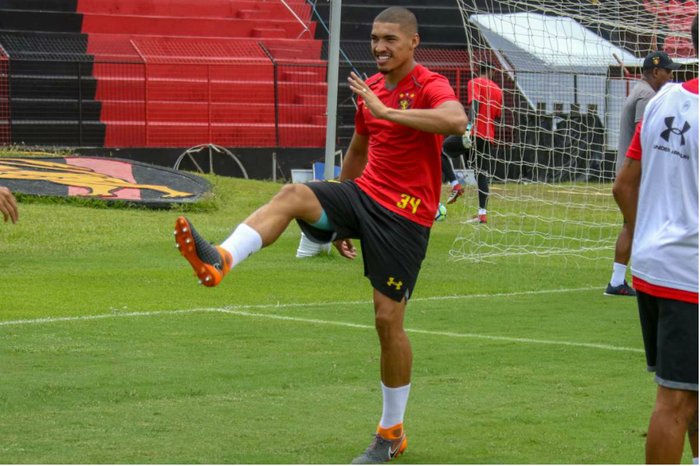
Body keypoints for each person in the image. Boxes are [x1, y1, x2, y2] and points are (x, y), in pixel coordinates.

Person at [172, 6, 467, 464]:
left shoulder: (429, 85)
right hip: (364, 196)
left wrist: (386, 110)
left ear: (413, 43)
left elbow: (455, 121)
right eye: (374, 38)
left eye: (390, 39)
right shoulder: (368, 90)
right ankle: (221, 259)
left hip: (407, 216)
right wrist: (341, 216)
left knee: (387, 321)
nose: (379, 47)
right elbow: (358, 148)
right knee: (293, 194)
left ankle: (392, 433)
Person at [613, 14, 698, 464]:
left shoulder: (663, 100)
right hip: (690, 276)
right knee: (676, 402)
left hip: (653, 267)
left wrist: (643, 233)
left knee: (690, 395)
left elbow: (623, 186)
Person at [606, 50, 680, 297]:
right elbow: (644, 134)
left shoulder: (641, 91)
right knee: (637, 226)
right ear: (656, 72)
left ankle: (618, 280)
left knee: (632, 225)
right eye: (668, 71)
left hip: (633, 174)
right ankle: (631, 281)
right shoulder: (647, 96)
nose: (671, 76)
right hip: (637, 176)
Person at [464, 63, 502, 224]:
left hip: (474, 133)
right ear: (492, 71)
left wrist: (468, 128)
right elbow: (498, 117)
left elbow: (475, 105)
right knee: (482, 174)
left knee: (445, 149)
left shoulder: (474, 82)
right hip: (488, 136)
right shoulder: (498, 90)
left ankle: (454, 184)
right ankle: (482, 214)